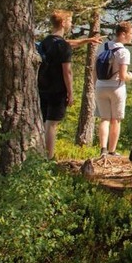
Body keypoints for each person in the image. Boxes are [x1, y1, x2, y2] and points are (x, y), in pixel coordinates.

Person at [38, 10, 103, 160]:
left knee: (44, 123)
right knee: (51, 125)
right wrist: (70, 93)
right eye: (70, 21)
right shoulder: (63, 46)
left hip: (43, 88)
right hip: (58, 90)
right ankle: (48, 158)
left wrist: (87, 41)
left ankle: (40, 155)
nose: (71, 23)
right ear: (63, 23)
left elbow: (68, 44)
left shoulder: (46, 42)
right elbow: (67, 72)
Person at [95, 21, 132, 157]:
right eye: (130, 33)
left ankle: (103, 150)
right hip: (116, 88)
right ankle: (112, 151)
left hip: (100, 86)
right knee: (115, 120)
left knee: (104, 119)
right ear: (123, 34)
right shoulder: (123, 51)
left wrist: (96, 84)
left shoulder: (102, 47)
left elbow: (95, 69)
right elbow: (123, 75)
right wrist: (131, 76)